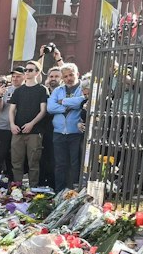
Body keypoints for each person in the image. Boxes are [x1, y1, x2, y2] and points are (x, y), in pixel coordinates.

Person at [6, 61, 50, 188]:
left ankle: (33, 189)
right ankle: (17, 189)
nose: (27, 72)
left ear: (37, 72)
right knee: (16, 162)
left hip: (35, 132)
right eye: (26, 70)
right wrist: (12, 125)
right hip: (17, 131)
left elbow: (43, 110)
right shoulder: (19, 91)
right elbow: (12, 110)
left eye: (31, 70)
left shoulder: (42, 89)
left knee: (33, 163)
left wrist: (31, 124)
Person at [47, 63, 87, 191]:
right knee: (60, 164)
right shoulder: (58, 90)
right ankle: (59, 192)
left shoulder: (83, 87)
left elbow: (83, 100)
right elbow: (50, 108)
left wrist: (63, 101)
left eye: (71, 75)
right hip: (59, 132)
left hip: (76, 133)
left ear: (77, 74)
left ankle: (73, 191)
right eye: (66, 76)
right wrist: (71, 105)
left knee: (75, 164)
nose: (69, 78)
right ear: (62, 78)